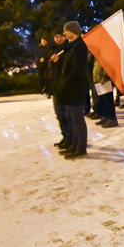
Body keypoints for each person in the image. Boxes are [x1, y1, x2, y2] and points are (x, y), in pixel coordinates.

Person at [53, 21, 89, 158]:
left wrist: (65, 82)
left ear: (73, 31)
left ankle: (81, 147)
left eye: (66, 30)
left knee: (77, 119)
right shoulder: (72, 45)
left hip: (75, 88)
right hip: (69, 88)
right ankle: (74, 145)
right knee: (72, 118)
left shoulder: (80, 46)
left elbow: (77, 70)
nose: (64, 33)